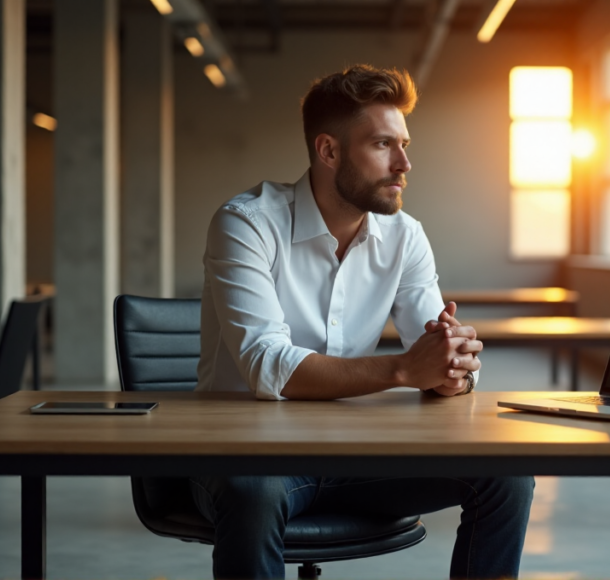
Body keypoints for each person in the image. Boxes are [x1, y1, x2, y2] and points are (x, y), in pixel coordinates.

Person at [192, 64, 535, 579]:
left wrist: (454, 370)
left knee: (507, 475)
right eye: (382, 145)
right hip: (248, 456)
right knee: (255, 492)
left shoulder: (404, 236)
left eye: (404, 144)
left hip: (353, 455)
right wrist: (404, 370)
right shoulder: (246, 224)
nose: (404, 163)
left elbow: (438, 355)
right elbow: (268, 366)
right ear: (328, 151)